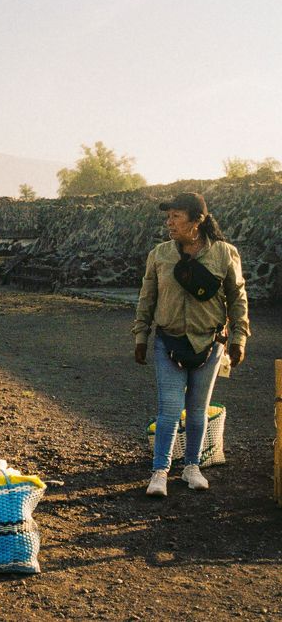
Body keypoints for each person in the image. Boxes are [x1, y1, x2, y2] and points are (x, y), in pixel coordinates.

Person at [133, 192, 250, 497]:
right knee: (170, 410)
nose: (169, 223)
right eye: (168, 217)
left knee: (197, 410)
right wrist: (141, 336)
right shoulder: (159, 255)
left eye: (176, 216)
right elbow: (147, 297)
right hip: (168, 341)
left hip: (209, 343)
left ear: (197, 220)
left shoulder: (224, 254)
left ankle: (192, 467)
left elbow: (237, 297)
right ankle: (160, 472)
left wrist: (239, 338)